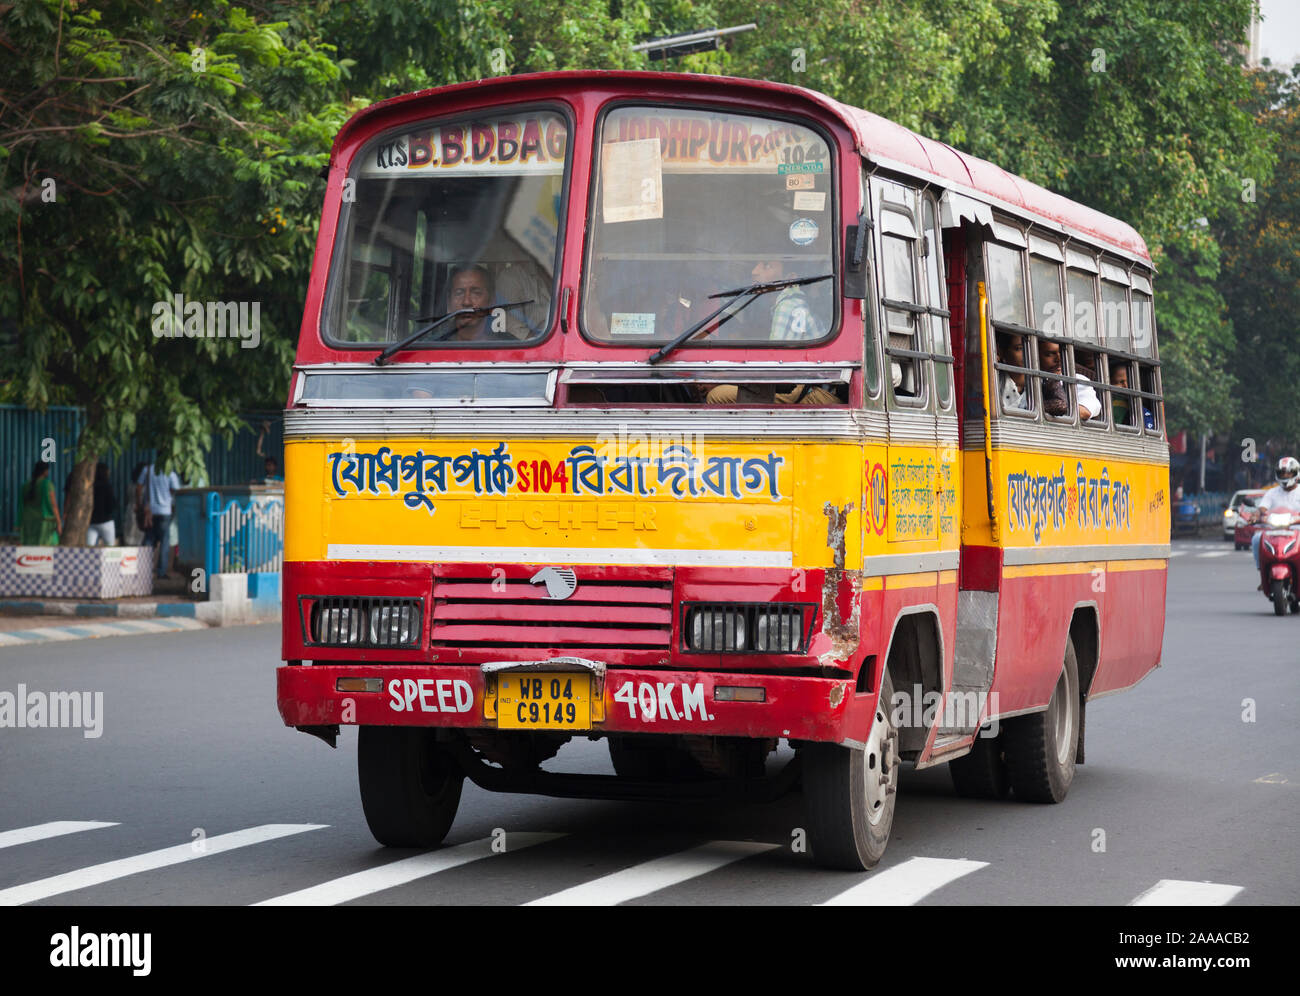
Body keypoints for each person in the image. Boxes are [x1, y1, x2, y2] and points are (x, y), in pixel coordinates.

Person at [706, 258, 834, 405]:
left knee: (716, 396)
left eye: (767, 266)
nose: (754, 271)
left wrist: (722, 379)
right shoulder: (788, 302)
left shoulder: (788, 305)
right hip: (799, 383)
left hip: (802, 388)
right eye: (756, 264)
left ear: (790, 278)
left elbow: (775, 363)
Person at [1252, 456, 1300, 572]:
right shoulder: (1272, 492)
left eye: (1288, 473)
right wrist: (1255, 515)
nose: (1285, 476)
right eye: (1282, 473)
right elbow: (1262, 508)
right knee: (1257, 538)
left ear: (1295, 473)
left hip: (1297, 529)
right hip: (1274, 530)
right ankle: (1262, 570)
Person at [136, 460, 182, 578]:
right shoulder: (170, 472)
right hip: (165, 511)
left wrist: (139, 504)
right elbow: (176, 490)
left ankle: (144, 570)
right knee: (164, 542)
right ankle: (161, 572)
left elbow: (139, 487)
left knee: (149, 539)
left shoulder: (147, 470)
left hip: (149, 511)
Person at [1038, 339, 1101, 420]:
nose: (1058, 359)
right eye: (1050, 354)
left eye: (1062, 353)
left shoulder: (1077, 379)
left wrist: (1058, 405)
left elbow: (1085, 412)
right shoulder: (1030, 378)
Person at [446, 264, 499, 342]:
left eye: (476, 293)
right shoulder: (431, 346)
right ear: (448, 302)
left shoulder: (511, 345)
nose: (466, 302)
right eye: (459, 293)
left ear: (491, 301)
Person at [18, 461, 60, 545]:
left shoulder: (25, 485)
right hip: (44, 521)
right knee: (45, 548)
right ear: (45, 471)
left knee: (29, 548)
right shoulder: (47, 484)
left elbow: (22, 504)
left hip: (28, 521)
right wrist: (58, 522)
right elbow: (53, 505)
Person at [86, 461, 118, 546]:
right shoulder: (107, 486)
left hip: (92, 522)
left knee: (89, 548)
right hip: (106, 521)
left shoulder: (90, 487)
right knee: (110, 548)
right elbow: (112, 504)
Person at [998, 333, 1031, 411]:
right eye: (1019, 348)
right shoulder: (995, 382)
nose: (1026, 353)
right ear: (1002, 352)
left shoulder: (1040, 384)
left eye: (1029, 348)